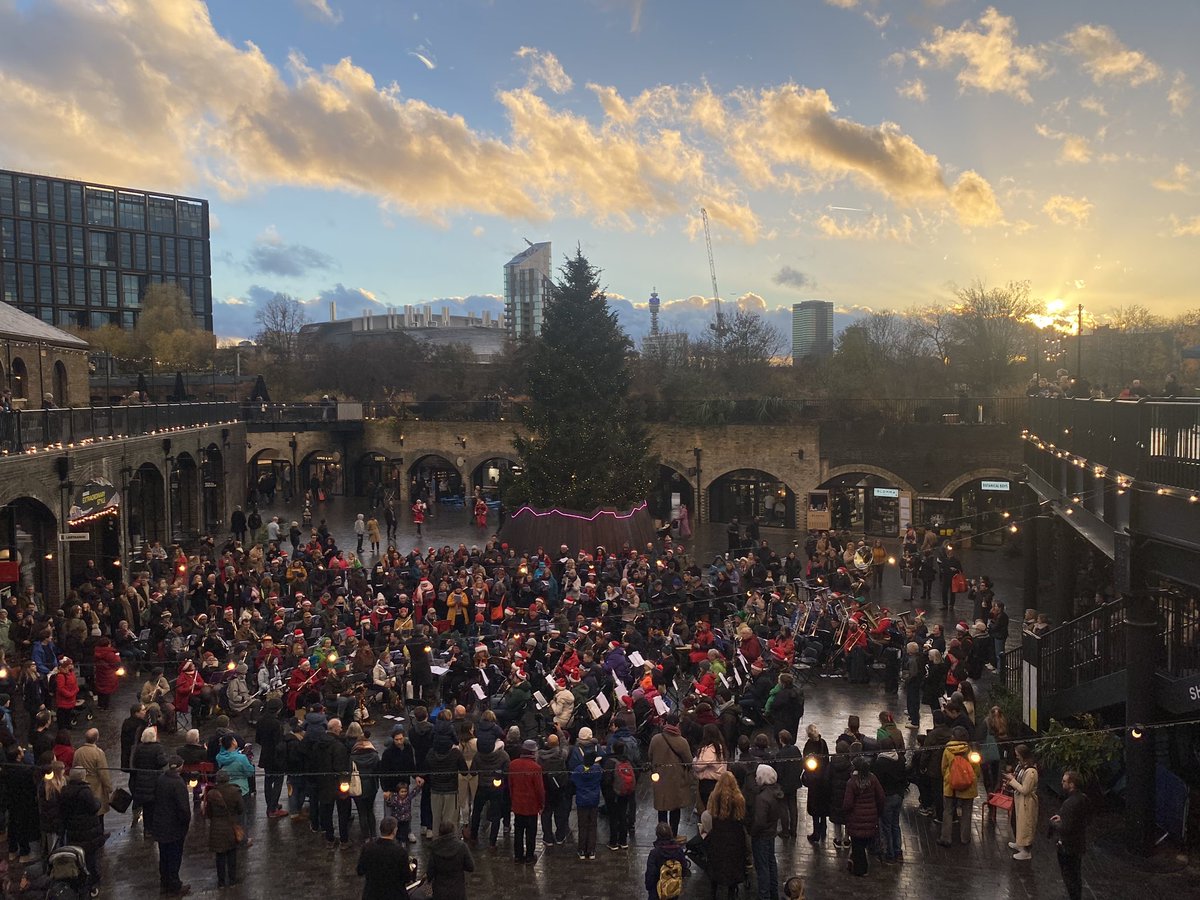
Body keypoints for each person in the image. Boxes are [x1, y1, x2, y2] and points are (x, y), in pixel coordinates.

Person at [60, 767, 105, 895]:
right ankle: (90, 881)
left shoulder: (65, 791)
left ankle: (80, 877)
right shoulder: (85, 791)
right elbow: (93, 807)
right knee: (90, 857)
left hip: (73, 830)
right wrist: (98, 802)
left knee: (78, 855)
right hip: (87, 830)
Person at [153, 756, 193, 897]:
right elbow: (183, 809)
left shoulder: (161, 779)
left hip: (160, 825)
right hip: (174, 827)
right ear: (180, 767)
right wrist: (185, 824)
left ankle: (164, 882)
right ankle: (175, 885)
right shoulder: (178, 783)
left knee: (164, 856)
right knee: (174, 857)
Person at [649, 712, 692, 835]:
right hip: (676, 778)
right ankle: (674, 833)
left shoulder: (656, 739)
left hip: (660, 777)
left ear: (665, 723)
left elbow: (650, 756)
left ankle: (662, 834)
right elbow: (689, 761)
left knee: (662, 808)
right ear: (678, 724)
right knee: (675, 807)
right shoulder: (682, 742)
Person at [937, 725, 981, 847]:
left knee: (948, 811)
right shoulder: (970, 750)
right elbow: (976, 768)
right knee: (967, 812)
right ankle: (965, 838)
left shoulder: (948, 750)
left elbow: (943, 767)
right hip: (968, 785)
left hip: (950, 784)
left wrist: (947, 777)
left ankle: (946, 838)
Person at [843, 757, 884, 876]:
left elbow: (848, 803)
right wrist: (877, 812)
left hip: (856, 820)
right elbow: (881, 797)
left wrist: (847, 813)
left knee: (857, 846)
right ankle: (857, 864)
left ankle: (861, 870)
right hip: (871, 818)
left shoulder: (852, 783)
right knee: (863, 843)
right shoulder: (873, 779)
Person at [1051, 770, 1088, 900]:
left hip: (1068, 846)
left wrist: (1055, 824)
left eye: (1064, 781)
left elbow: (1065, 828)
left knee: (1069, 876)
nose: (1062, 783)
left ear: (1072, 784)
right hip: (1077, 844)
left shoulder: (1070, 803)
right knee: (1075, 875)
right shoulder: (1082, 798)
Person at [203, 770, 244, 889]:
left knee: (219, 855)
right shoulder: (235, 792)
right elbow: (241, 809)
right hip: (231, 826)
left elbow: (208, 812)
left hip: (216, 827)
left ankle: (221, 881)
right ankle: (232, 879)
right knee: (232, 854)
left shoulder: (211, 794)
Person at [508, 739, 545, 864]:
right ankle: (529, 855)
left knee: (518, 831)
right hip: (531, 804)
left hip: (518, 803)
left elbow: (510, 785)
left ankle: (518, 856)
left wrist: (512, 801)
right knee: (531, 831)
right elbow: (539, 789)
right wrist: (541, 804)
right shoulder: (536, 767)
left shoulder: (513, 764)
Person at [357, 816, 410, 900]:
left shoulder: (367, 848)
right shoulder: (400, 852)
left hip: (372, 894)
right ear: (394, 831)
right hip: (395, 895)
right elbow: (406, 878)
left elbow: (360, 871)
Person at [750, 764, 782, 900]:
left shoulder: (762, 798)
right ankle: (773, 893)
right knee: (771, 864)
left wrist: (752, 832)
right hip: (771, 833)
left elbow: (759, 822)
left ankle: (764, 896)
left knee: (762, 867)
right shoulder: (776, 793)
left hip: (761, 836)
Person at [130, 725, 168, 834]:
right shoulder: (158, 748)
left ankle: (147, 829)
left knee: (147, 807)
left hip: (141, 780)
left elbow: (135, 763)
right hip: (155, 780)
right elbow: (162, 762)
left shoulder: (139, 747)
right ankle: (156, 827)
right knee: (156, 804)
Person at [1005, 744, 1039, 861]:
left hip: (1027, 803)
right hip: (1019, 800)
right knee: (1018, 822)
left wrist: (1012, 781)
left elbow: (1025, 789)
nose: (1016, 757)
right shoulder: (1021, 766)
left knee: (1026, 825)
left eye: (1018, 755)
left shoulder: (1031, 772)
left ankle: (1026, 851)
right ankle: (1020, 843)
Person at [72, 729, 113, 823]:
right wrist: (109, 787)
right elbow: (103, 773)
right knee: (98, 812)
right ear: (97, 738)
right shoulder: (98, 753)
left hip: (82, 785)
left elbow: (74, 767)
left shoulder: (78, 752)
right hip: (96, 786)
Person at [427, 820, 475, 900]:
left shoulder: (435, 848)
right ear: (453, 831)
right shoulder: (462, 847)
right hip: (458, 891)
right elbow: (471, 867)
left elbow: (430, 872)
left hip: (440, 892)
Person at [570, 751, 603, 860]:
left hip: (581, 801)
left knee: (582, 826)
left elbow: (573, 780)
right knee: (593, 825)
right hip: (594, 801)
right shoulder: (597, 770)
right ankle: (591, 850)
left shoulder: (578, 770)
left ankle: (582, 850)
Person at [644, 821, 688, 900]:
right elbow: (684, 868)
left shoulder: (654, 853)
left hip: (657, 891)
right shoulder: (679, 850)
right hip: (672, 889)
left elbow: (651, 873)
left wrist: (649, 887)